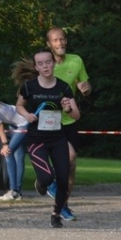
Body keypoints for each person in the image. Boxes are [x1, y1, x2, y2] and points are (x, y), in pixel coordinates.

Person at [16, 48, 80, 228]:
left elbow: (76, 115)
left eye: (48, 62)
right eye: (41, 63)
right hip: (36, 140)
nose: (45, 66)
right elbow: (19, 105)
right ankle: (41, 182)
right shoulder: (29, 86)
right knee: (46, 178)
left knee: (63, 180)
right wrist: (27, 115)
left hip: (58, 139)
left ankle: (56, 214)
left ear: (53, 63)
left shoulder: (63, 87)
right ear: (36, 67)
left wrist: (68, 109)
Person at [45, 27, 92, 221]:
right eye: (55, 40)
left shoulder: (76, 61)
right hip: (49, 119)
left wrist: (85, 89)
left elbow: (85, 87)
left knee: (71, 167)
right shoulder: (44, 64)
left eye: (62, 39)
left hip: (69, 119)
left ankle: (62, 205)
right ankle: (50, 182)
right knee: (69, 156)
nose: (60, 43)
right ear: (49, 44)